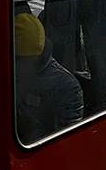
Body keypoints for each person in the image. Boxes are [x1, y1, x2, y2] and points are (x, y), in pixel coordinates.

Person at [15, 12, 84, 144]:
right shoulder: (15, 75)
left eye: (18, 59)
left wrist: (33, 129)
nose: (15, 66)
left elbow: (69, 142)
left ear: (33, 57)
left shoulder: (67, 87)